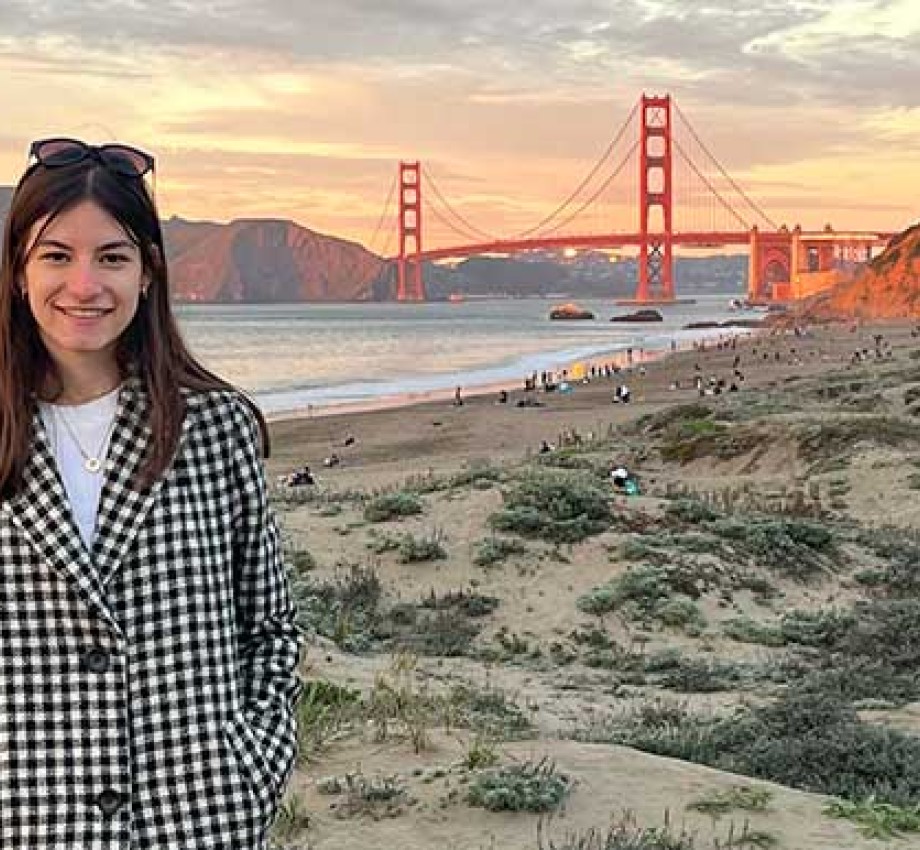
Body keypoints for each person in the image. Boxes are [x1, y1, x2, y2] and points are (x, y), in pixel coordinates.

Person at [0, 138, 304, 849]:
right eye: (55, 256)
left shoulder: (214, 427)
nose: (85, 284)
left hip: (196, 821)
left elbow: (271, 628)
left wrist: (251, 772)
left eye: (111, 256)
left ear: (147, 272)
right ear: (17, 272)